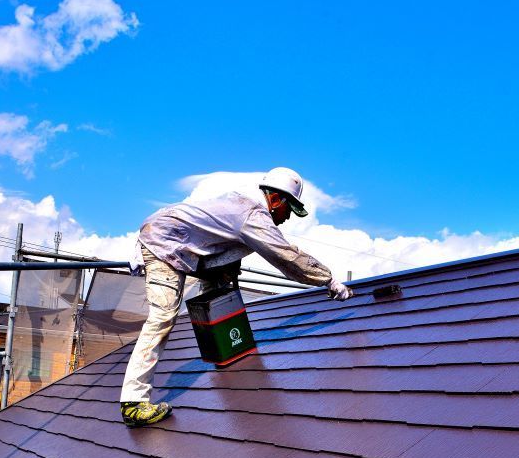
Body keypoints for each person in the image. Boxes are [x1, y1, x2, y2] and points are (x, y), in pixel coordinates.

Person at [120, 167, 354, 427]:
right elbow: (287, 256)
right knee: (162, 317)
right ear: (276, 200)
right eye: (289, 210)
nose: (288, 218)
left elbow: (222, 249)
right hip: (164, 242)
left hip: (176, 240)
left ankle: (225, 351)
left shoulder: (241, 206)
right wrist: (329, 280)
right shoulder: (252, 216)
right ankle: (133, 402)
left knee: (220, 288)